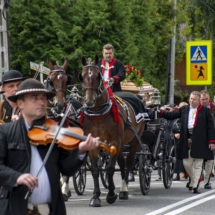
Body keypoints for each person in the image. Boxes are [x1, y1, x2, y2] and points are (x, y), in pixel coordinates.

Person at [0, 79, 100, 215]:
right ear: (20, 104)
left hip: (50, 210)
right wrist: (16, 177)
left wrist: (81, 151)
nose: (42, 102)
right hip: (16, 209)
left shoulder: (54, 131)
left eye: (43, 98)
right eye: (34, 98)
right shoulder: (5, 132)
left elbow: (66, 169)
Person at [159, 91, 215, 194]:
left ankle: (195, 185)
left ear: (199, 101)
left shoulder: (205, 112)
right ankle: (195, 180)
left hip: (201, 139)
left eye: (194, 99)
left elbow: (211, 127)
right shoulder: (184, 109)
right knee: (186, 163)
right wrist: (161, 113)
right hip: (187, 138)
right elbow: (172, 115)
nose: (191, 101)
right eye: (190, 99)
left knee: (198, 164)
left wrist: (212, 141)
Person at [200, 90, 215, 189]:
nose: (204, 101)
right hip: (200, 136)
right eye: (202, 99)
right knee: (198, 159)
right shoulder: (196, 108)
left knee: (210, 160)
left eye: (206, 99)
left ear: (209, 98)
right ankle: (195, 179)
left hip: (212, 136)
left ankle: (206, 181)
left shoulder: (214, 108)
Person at [172, 102, 188, 181]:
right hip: (175, 141)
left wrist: (182, 134)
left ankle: (185, 172)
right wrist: (174, 134)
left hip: (186, 140)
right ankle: (177, 173)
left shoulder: (188, 119)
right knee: (175, 153)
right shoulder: (175, 119)